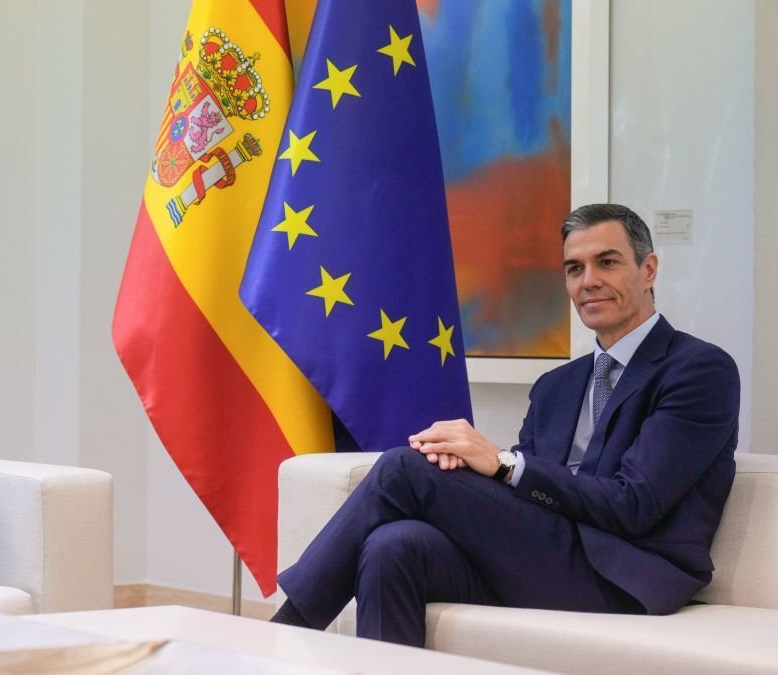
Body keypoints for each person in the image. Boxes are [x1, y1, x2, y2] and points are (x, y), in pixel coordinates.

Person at [271, 203, 740, 646]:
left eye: (608, 262)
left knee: (402, 470)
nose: (589, 281)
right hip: (546, 554)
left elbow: (634, 504)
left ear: (649, 269)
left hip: (624, 572)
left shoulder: (699, 370)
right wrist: (476, 469)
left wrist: (501, 463)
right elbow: (526, 496)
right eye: (574, 269)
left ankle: (282, 635)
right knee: (392, 545)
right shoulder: (555, 385)